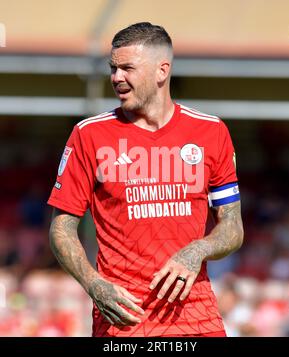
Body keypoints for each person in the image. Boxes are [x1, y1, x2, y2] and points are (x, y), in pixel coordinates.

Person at [48, 22, 244, 337]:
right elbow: (61, 228)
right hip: (124, 318)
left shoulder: (211, 132)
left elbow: (232, 226)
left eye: (127, 68)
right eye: (113, 68)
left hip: (197, 317)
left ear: (161, 71)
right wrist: (94, 284)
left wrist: (197, 250)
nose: (116, 77)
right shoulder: (89, 135)